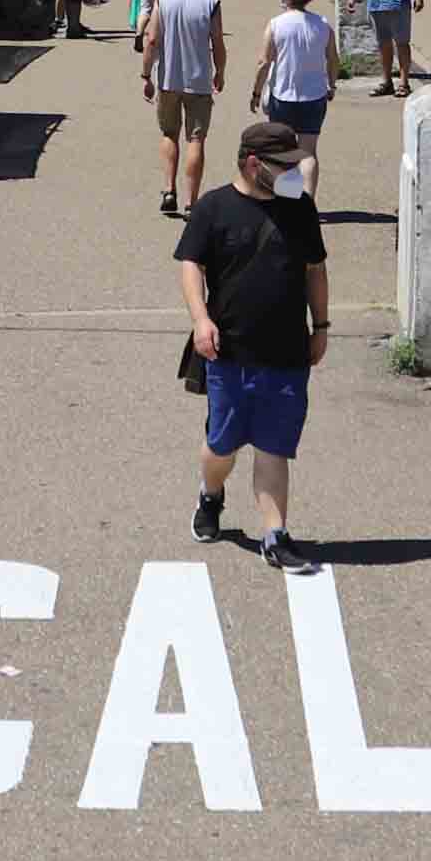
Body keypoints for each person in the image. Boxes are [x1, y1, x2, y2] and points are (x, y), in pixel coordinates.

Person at [176, 116, 330, 571]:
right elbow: (190, 264)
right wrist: (201, 319)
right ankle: (211, 493)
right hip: (230, 353)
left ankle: (275, 534)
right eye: (282, 166)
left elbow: (315, 270)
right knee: (222, 447)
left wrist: (320, 326)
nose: (292, 174)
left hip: (287, 351)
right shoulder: (213, 209)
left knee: (275, 445)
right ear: (251, 163)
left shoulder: (299, 208)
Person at [139, 0, 227, 216]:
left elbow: (152, 39)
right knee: (196, 140)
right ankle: (191, 202)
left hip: (168, 79)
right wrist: (220, 71)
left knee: (169, 134)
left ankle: (169, 191)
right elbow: (218, 44)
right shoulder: (211, 1)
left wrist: (145, 75)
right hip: (199, 81)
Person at [250, 0, 337, 206]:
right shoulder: (322, 25)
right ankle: (307, 203)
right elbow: (333, 59)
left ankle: (287, 200)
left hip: (283, 96)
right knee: (308, 152)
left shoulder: (276, 25)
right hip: (314, 95)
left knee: (283, 153)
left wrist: (256, 92)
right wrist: (332, 84)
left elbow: (264, 62)